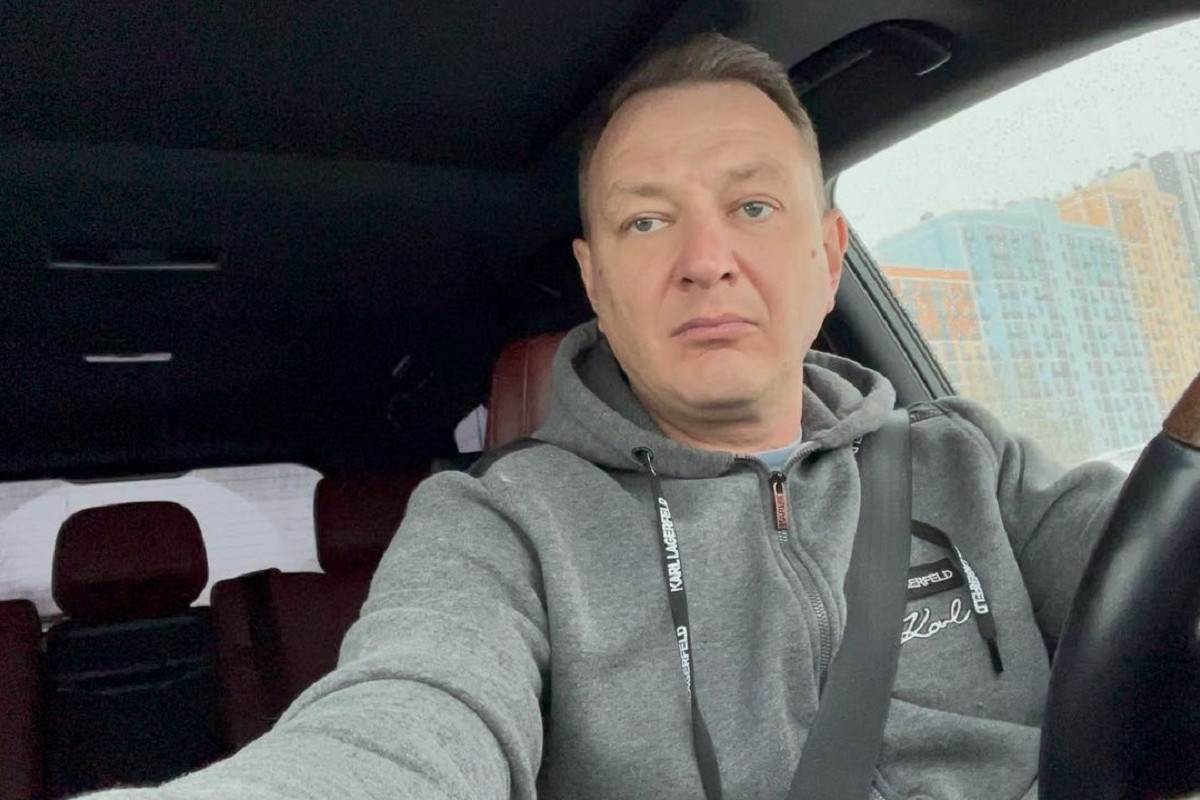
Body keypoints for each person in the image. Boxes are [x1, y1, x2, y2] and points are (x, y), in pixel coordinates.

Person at [85, 33, 1125, 800]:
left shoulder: (974, 462)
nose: (706, 259)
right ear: (596, 281)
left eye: (754, 207)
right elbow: (401, 721)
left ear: (826, 255)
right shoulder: (504, 525)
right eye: (646, 220)